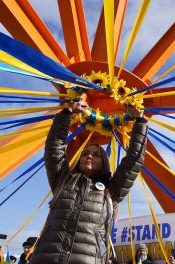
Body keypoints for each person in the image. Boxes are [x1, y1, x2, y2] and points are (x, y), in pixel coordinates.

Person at [30, 102, 148, 264]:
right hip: (47, 258)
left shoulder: (112, 190)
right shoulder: (63, 180)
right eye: (85, 153)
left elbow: (133, 160)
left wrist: (140, 122)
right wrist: (68, 113)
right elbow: (54, 147)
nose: (89, 156)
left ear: (103, 162)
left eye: (96, 155)